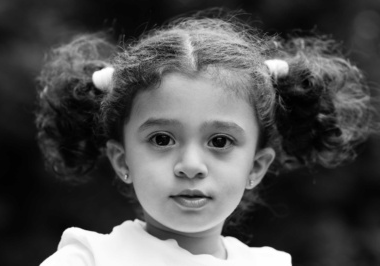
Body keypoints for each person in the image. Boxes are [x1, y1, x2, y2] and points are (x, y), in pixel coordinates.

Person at [36, 10, 374, 266]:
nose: (191, 166)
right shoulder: (89, 260)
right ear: (123, 160)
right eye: (162, 139)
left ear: (255, 167)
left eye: (220, 142)